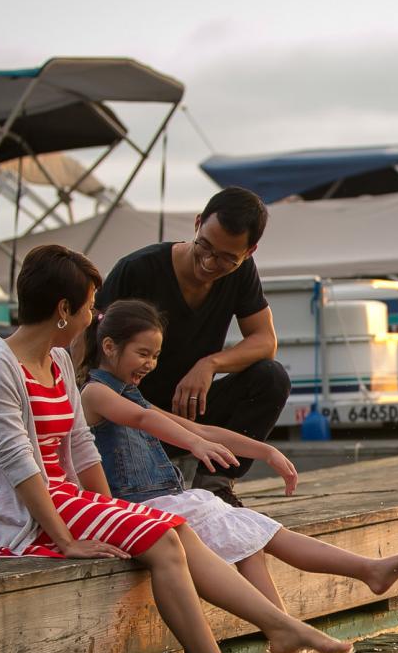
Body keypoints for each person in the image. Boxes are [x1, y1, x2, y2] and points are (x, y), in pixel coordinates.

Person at [0, 244, 349, 653]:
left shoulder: (58, 361)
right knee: (165, 538)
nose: (93, 317)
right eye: (89, 307)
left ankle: (273, 632)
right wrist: (70, 541)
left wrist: (111, 516)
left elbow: (81, 446)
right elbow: (19, 464)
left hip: (67, 499)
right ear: (63, 309)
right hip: (25, 510)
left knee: (173, 528)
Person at [79, 298, 398, 609]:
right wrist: (194, 445)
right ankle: (355, 580)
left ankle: (304, 619)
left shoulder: (130, 394)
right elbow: (145, 421)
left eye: (156, 356)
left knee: (256, 532)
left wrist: (264, 451)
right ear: (109, 347)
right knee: (248, 534)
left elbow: (202, 429)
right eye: (143, 354)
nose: (151, 364)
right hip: (142, 509)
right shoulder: (95, 393)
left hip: (168, 501)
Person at [96, 187, 285, 501]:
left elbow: (266, 340)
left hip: (191, 408)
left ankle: (216, 484)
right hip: (130, 412)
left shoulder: (241, 274)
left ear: (249, 252)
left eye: (227, 258)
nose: (210, 263)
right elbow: (88, 350)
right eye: (205, 247)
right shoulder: (137, 270)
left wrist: (209, 364)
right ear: (197, 223)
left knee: (271, 377)